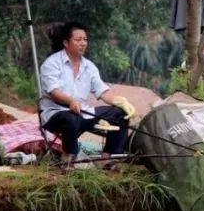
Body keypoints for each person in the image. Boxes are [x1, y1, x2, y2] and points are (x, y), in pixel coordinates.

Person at [40, 22, 135, 168]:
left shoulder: (89, 66)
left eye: (85, 39)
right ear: (66, 42)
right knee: (70, 117)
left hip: (83, 113)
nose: (83, 43)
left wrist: (120, 101)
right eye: (78, 40)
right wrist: (71, 101)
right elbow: (54, 93)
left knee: (119, 113)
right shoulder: (51, 64)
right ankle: (69, 159)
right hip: (56, 115)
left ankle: (109, 159)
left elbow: (103, 92)